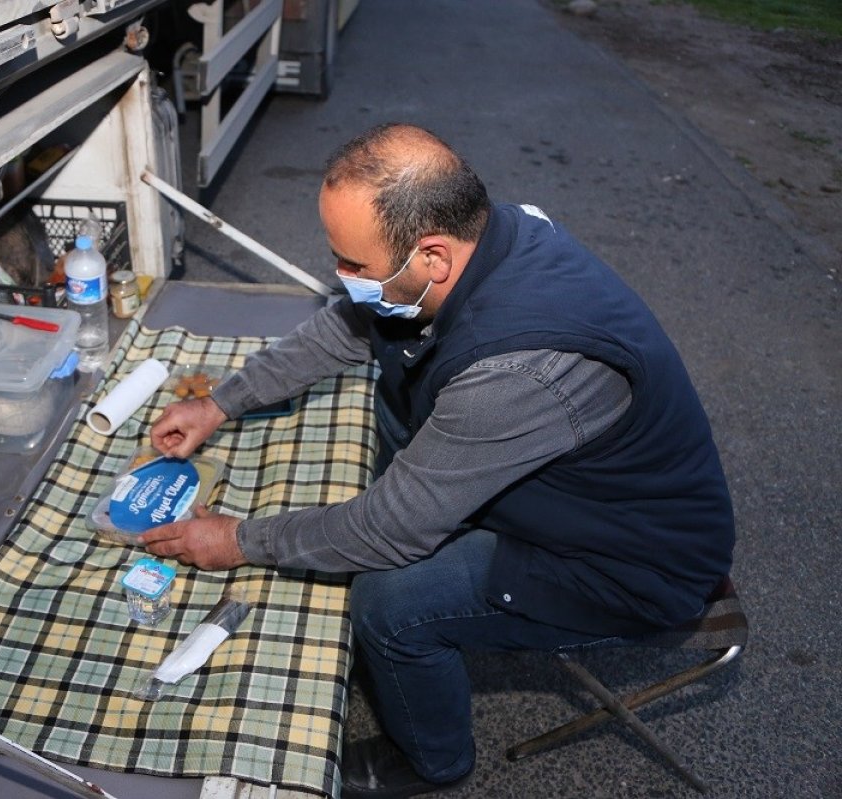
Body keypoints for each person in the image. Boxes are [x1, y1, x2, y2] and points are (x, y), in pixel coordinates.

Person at [138, 123, 735, 798]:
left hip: (629, 559)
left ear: (433, 256)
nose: (342, 278)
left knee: (391, 601)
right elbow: (350, 324)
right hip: (583, 489)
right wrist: (221, 402)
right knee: (392, 395)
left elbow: (389, 531)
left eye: (353, 265)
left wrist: (240, 539)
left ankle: (432, 761)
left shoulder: (517, 370)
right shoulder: (489, 236)